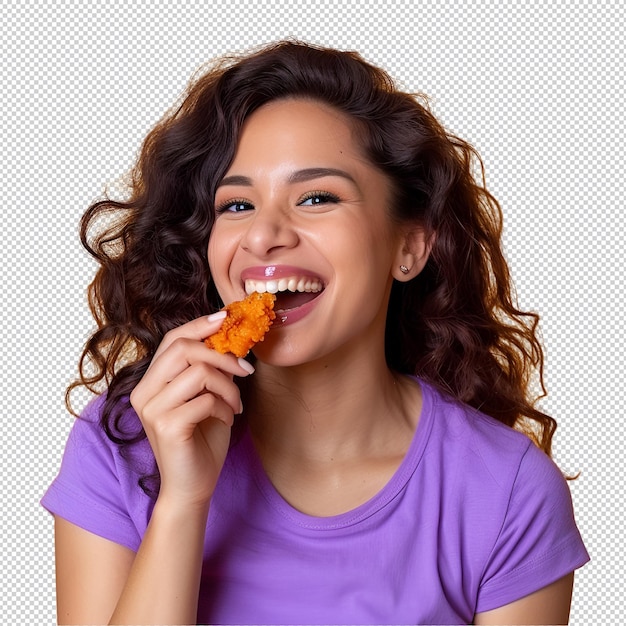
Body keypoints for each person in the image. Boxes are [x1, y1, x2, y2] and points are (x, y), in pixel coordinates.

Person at [42, 40, 589, 625]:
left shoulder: (505, 492)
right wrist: (182, 502)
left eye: (317, 197)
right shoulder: (121, 446)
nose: (264, 235)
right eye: (235, 206)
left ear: (410, 245)